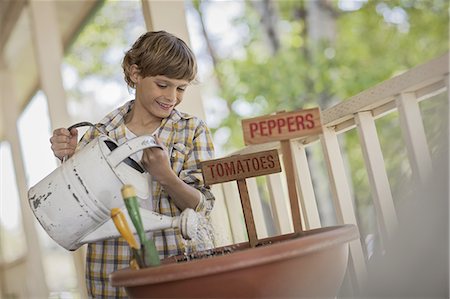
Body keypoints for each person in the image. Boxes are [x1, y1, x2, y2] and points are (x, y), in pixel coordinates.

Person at [50, 31, 215, 298]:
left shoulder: (192, 130)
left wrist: (166, 177)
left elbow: (202, 207)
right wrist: (67, 158)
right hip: (112, 273)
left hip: (178, 269)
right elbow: (79, 205)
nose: (172, 97)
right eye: (163, 85)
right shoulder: (99, 135)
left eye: (181, 88)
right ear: (135, 73)